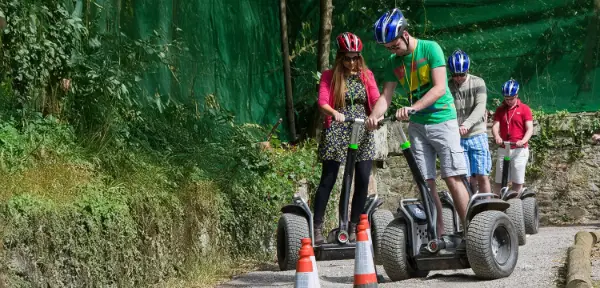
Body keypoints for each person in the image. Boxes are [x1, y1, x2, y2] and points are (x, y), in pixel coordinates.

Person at [366, 8, 470, 237]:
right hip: (417, 126)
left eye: (394, 45)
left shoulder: (430, 48)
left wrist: (414, 107)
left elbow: (440, 87)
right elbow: (386, 97)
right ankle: (438, 233)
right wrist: (374, 116)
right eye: (388, 48)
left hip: (443, 119)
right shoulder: (394, 62)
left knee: (452, 177)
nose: (393, 50)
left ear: (405, 34)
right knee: (425, 182)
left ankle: (471, 231)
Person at [313, 32, 380, 244]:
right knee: (329, 178)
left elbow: (377, 98)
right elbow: (322, 101)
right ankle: (317, 227)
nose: (352, 62)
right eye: (347, 58)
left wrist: (376, 116)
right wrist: (334, 113)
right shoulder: (329, 76)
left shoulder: (366, 75)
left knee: (361, 178)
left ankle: (352, 227)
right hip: (338, 127)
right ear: (340, 57)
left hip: (362, 129)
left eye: (355, 57)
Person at [447, 49, 492, 194]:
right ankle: (469, 205)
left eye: (461, 74)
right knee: (464, 177)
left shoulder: (478, 82)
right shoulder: (448, 86)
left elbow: (480, 107)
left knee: (482, 175)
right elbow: (447, 109)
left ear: (467, 71)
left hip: (477, 134)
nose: (458, 78)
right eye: (455, 75)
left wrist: (466, 124)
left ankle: (487, 204)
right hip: (458, 137)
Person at [491, 79, 534, 195]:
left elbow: (530, 129)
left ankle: (515, 204)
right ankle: (497, 202)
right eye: (506, 98)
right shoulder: (500, 110)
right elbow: (495, 126)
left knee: (517, 181)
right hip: (504, 148)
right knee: (499, 180)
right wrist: (497, 136)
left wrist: (523, 141)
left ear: (516, 95)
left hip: (519, 149)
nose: (509, 101)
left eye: (511, 98)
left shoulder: (525, 109)